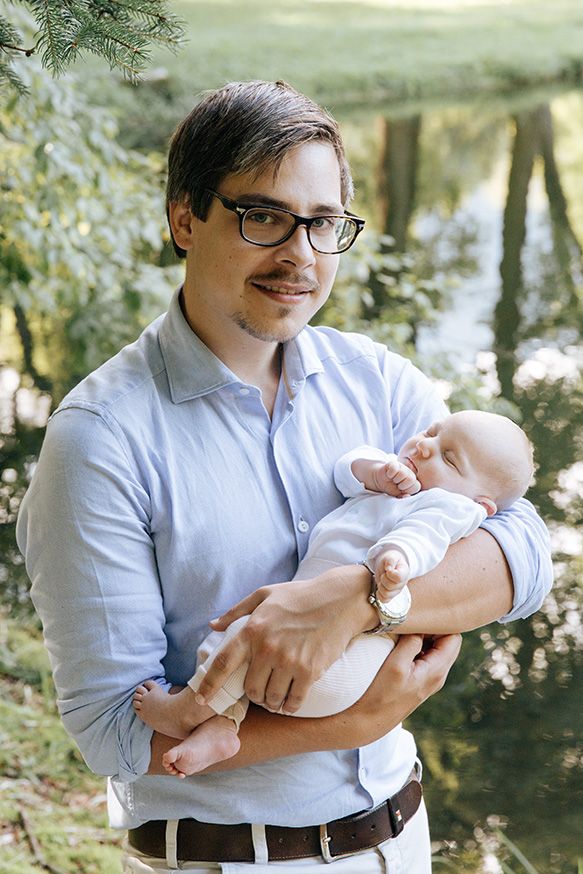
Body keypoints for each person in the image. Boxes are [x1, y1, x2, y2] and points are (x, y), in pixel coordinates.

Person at [16, 81, 552, 873]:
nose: (300, 254)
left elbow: (523, 553)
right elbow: (112, 731)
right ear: (184, 217)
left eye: (324, 222)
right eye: (263, 216)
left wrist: (353, 601)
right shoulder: (99, 441)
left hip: (400, 841)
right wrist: (345, 723)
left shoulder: (376, 381)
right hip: (227, 858)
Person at [132, 410, 534, 779]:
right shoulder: (394, 482)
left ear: (481, 506)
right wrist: (376, 472)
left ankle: (190, 708)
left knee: (247, 630)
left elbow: (423, 537)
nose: (425, 445)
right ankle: (225, 724)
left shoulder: (448, 506)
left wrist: (393, 561)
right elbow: (347, 468)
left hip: (356, 649)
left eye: (448, 459)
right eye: (431, 432)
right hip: (326, 665)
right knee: (255, 644)